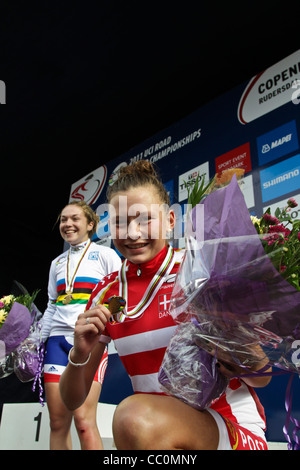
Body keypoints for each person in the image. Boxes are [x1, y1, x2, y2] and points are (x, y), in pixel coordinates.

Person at [60, 161, 271, 450]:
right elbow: (73, 400)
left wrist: (222, 342)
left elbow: (262, 376)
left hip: (228, 429)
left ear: (171, 220)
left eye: (145, 219)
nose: (133, 234)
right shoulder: (107, 291)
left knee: (132, 418)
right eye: (121, 222)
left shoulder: (200, 269)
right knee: (136, 421)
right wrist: (79, 352)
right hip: (156, 435)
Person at [42, 201, 121, 450]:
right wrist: (38, 340)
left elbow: (120, 296)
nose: (67, 224)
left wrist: (109, 327)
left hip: (89, 341)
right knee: (57, 423)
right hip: (56, 342)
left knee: (84, 422)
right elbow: (52, 305)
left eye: (74, 218)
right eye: (63, 220)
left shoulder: (106, 255)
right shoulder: (56, 263)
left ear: (90, 224)